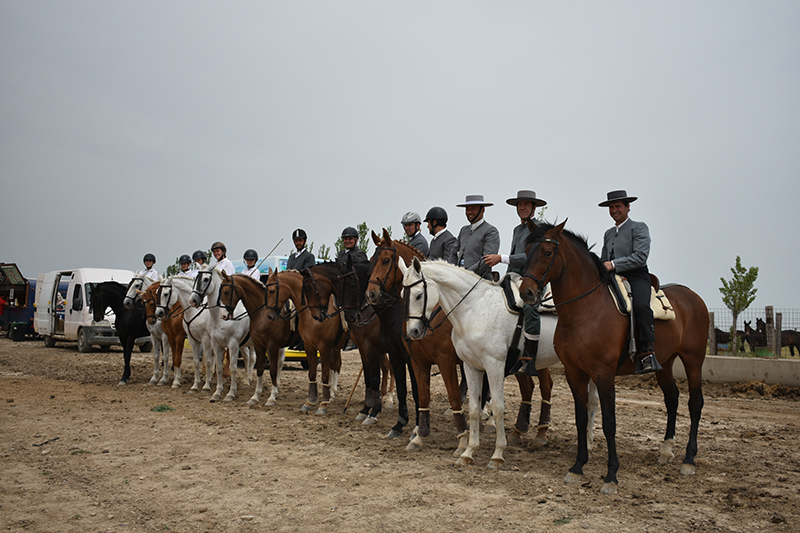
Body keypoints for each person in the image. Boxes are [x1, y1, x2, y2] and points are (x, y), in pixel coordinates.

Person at [483, 190, 547, 376]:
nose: (523, 207)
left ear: (534, 208)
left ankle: (531, 356)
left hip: (533, 278)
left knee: (529, 306)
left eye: (527, 204)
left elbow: (530, 257)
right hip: (514, 276)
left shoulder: (540, 228)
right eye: (520, 205)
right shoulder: (517, 230)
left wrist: (501, 258)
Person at [599, 189, 662, 374]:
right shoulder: (608, 233)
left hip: (636, 275)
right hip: (612, 276)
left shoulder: (639, 227)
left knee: (641, 305)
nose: (614, 210)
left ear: (628, 207)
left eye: (618, 206)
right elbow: (604, 260)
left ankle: (647, 352)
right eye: (611, 207)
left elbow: (640, 257)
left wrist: (613, 264)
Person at [448, 195, 500, 280]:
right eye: (467, 209)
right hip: (458, 277)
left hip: (480, 279)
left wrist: (466, 274)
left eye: (473, 209)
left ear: (482, 210)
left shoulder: (491, 231)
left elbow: (486, 261)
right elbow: (453, 254)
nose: (469, 212)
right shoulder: (463, 230)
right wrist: (451, 271)